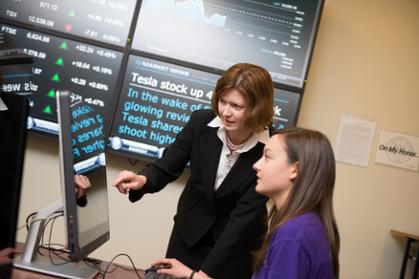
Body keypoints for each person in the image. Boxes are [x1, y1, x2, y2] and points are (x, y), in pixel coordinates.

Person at [113, 63, 275, 279]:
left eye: (236, 106)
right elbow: (166, 167)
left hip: (235, 251)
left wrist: (200, 276)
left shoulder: (271, 148)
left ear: (257, 107)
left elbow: (241, 223)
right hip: (188, 238)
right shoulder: (201, 122)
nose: (226, 112)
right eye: (223, 101)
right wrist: (142, 179)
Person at [152, 128, 340, 279]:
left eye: (267, 156)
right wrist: (192, 275)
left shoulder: (292, 236)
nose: (256, 165)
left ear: (295, 170)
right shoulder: (308, 224)